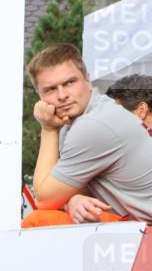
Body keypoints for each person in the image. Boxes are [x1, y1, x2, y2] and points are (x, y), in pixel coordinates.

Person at [23, 44, 152, 227]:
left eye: (70, 82)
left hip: (145, 230)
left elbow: (44, 200)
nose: (62, 95)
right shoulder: (77, 121)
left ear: (88, 80)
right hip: (134, 224)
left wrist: (48, 129)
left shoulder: (94, 124)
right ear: (40, 96)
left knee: (38, 221)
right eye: (51, 89)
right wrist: (74, 199)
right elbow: (71, 188)